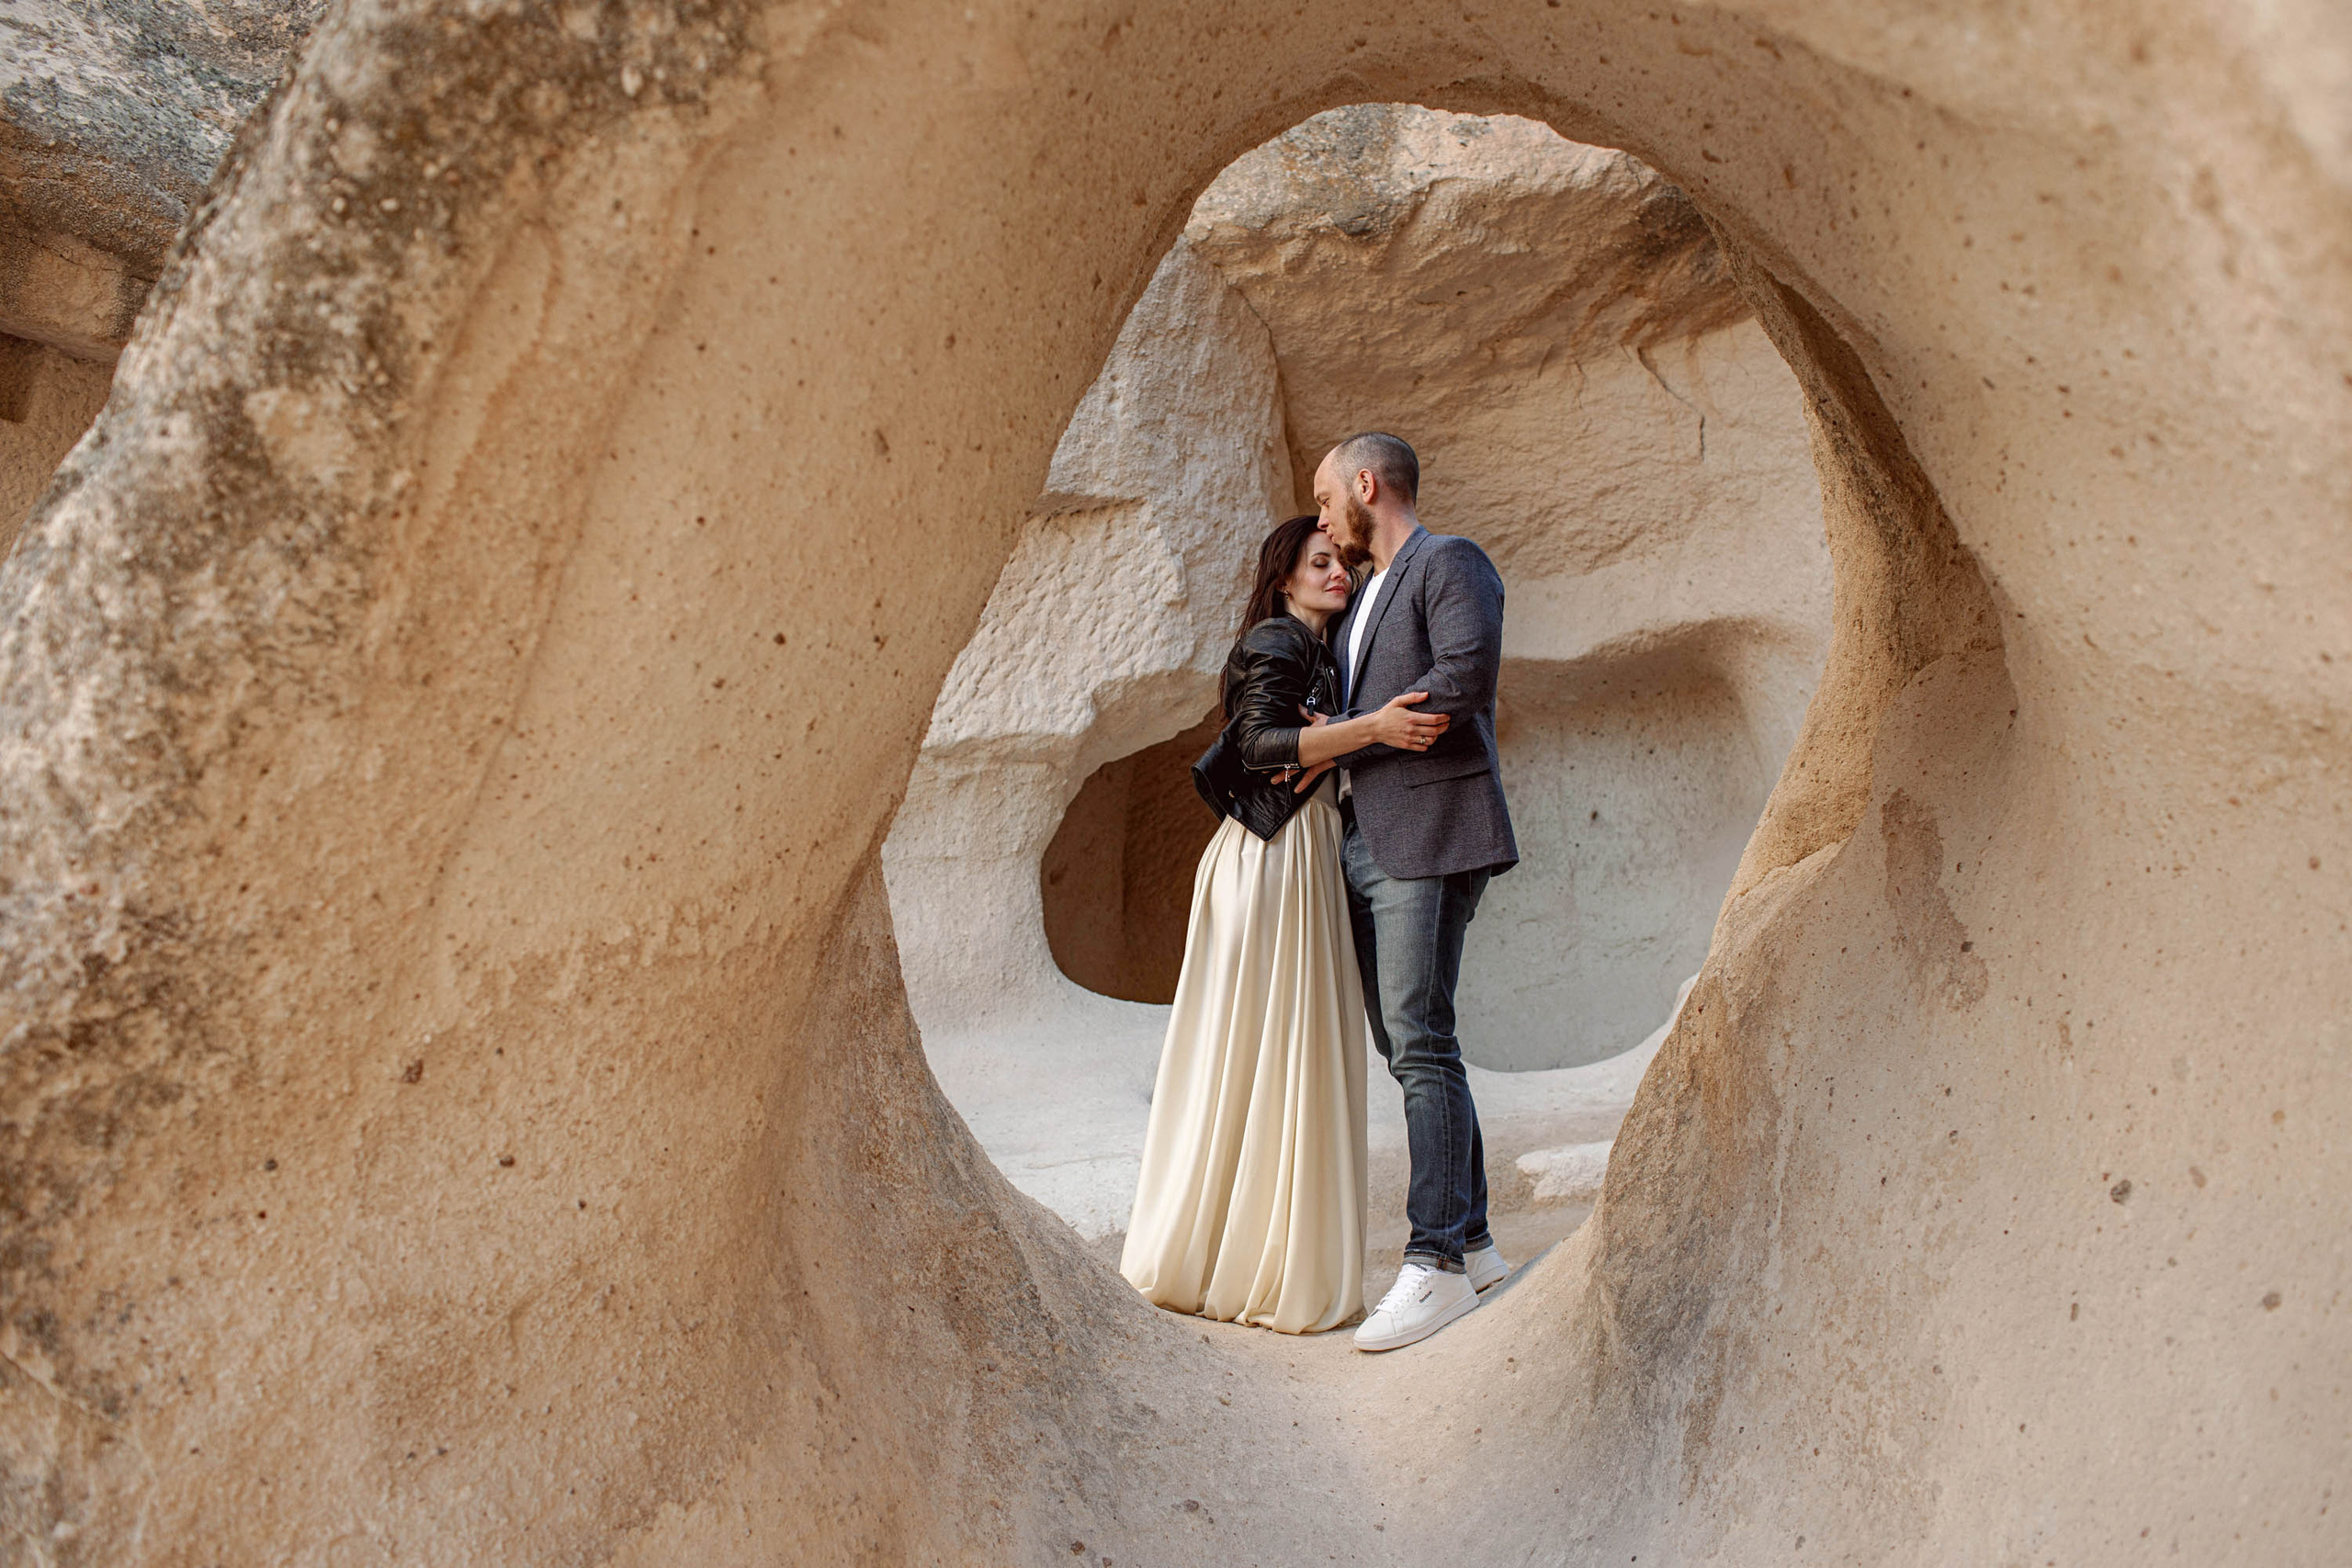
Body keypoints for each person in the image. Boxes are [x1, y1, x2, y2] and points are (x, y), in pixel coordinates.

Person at [1121, 515, 1450, 1334]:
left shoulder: (1319, 650)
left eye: (1342, 561)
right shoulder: (1278, 639)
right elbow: (1259, 742)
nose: (1338, 572)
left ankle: (1235, 1258)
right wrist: (1371, 730)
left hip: (1294, 858)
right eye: (1320, 562)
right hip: (1271, 861)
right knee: (1264, 1053)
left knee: (1269, 1058)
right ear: (1284, 579)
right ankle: (1239, 1263)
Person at [1315, 432, 1521, 1353]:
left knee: (1420, 1044)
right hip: (1367, 840)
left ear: (1366, 485)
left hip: (1430, 834)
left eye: (1325, 500)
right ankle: (1474, 1247)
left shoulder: (1448, 561)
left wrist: (1351, 734)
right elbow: (1379, 716)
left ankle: (1432, 1263)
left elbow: (1464, 678)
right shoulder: (1361, 599)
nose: (1321, 519)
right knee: (1413, 1046)